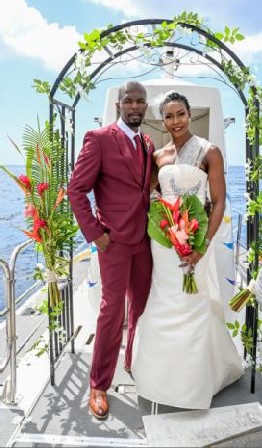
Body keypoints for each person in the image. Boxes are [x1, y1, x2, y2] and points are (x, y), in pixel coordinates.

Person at [131, 91, 243, 409]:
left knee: (193, 306)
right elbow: (151, 197)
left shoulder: (210, 151)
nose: (175, 121)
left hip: (196, 242)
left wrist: (202, 245)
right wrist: (161, 224)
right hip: (164, 245)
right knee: (161, 305)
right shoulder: (158, 157)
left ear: (189, 115)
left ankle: (192, 385)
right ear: (162, 121)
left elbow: (218, 202)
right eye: (169, 116)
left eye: (180, 114)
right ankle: (159, 378)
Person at [68, 81, 155, 419]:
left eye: (140, 102)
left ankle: (134, 361)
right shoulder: (100, 139)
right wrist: (97, 235)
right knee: (111, 312)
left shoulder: (146, 143)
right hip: (114, 243)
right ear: (120, 104)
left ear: (146, 107)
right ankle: (99, 384)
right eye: (129, 101)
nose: (135, 106)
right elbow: (77, 190)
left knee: (141, 309)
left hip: (144, 242)